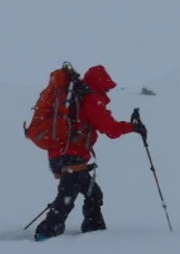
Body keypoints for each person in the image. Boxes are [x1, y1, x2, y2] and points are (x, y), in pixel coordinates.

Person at [34, 64, 146, 241]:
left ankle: (94, 230)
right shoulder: (91, 99)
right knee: (67, 197)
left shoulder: (79, 96)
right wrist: (133, 127)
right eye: (106, 86)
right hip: (72, 156)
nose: (107, 91)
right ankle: (46, 233)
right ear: (100, 83)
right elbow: (110, 129)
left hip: (61, 153)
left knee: (92, 193)